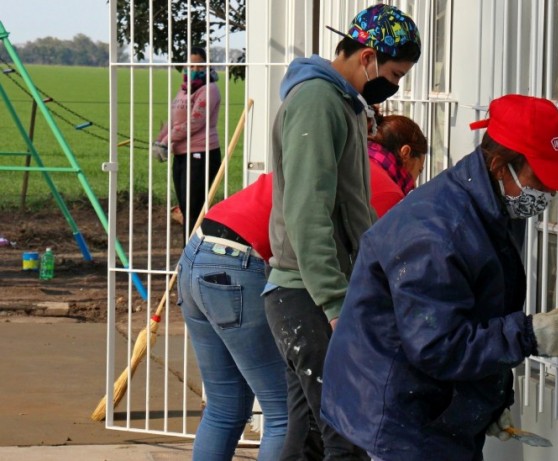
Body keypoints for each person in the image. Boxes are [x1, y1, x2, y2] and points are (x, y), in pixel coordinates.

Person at [320, 94, 558, 461]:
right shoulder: (439, 233)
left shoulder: (495, 208)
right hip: (399, 410)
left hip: (431, 403)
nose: (546, 193)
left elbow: (480, 311)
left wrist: (488, 401)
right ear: (500, 166)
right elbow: (437, 345)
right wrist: (527, 335)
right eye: (539, 180)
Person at [263, 4, 421, 456]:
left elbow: (352, 206)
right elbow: (308, 210)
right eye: (394, 74)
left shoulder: (345, 104)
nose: (394, 85)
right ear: (367, 56)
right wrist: (335, 302)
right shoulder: (317, 102)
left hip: (309, 293)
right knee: (346, 438)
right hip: (307, 295)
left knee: (308, 440)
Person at [176, 173, 287, 461]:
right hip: (236, 264)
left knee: (225, 407)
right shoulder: (378, 184)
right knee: (284, 412)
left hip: (196, 253)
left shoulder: (329, 157)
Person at [153, 46, 222, 228]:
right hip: (181, 154)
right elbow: (174, 119)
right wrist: (159, 140)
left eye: (200, 66)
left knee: (194, 210)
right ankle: (188, 245)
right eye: (191, 66)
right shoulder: (183, 90)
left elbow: (195, 122)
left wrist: (167, 141)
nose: (195, 69)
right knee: (185, 209)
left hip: (201, 155)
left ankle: (193, 246)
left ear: (207, 66)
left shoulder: (209, 89)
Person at [367, 110, 428, 215]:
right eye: (419, 171)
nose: (415, 184)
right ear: (405, 152)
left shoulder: (358, 160)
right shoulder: (390, 194)